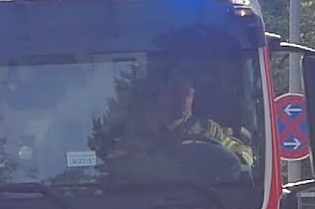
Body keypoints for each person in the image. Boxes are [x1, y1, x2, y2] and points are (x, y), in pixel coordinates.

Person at [106, 66, 255, 178]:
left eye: (188, 95)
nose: (183, 100)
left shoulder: (209, 129)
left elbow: (242, 155)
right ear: (161, 94)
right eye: (176, 93)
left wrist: (241, 157)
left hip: (202, 200)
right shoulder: (139, 129)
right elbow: (115, 165)